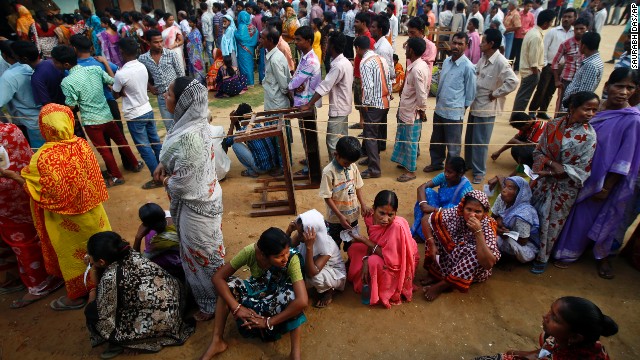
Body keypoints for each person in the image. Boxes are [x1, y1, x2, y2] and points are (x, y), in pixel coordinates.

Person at [0, 104, 111, 310]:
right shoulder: (82, 144)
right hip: (93, 212)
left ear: (44, 127)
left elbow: (35, 188)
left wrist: (13, 176)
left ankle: (77, 295)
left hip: (64, 220)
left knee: (72, 254)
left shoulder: (42, 158)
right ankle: (109, 281)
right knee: (100, 246)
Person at [553, 69, 640, 279]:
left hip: (598, 182)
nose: (623, 92)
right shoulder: (593, 108)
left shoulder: (632, 120)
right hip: (571, 174)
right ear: (607, 86)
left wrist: (607, 186)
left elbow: (625, 159)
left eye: (630, 87)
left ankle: (569, 253)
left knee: (582, 218)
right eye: (619, 86)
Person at [154, 78, 226, 322]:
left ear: (183, 102)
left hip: (197, 205)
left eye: (169, 94)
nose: (165, 96)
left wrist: (166, 181)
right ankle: (211, 294)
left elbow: (183, 183)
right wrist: (163, 164)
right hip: (203, 197)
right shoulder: (193, 123)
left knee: (201, 253)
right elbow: (177, 157)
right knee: (203, 250)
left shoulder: (189, 137)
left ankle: (212, 303)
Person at [200, 227, 308, 360]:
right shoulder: (250, 252)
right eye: (278, 256)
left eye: (285, 253)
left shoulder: (292, 258)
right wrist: (237, 307)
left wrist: (268, 322)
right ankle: (217, 340)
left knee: (293, 298)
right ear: (263, 254)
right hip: (257, 290)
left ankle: (295, 355)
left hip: (279, 293)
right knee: (228, 287)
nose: (285, 258)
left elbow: (302, 300)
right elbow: (218, 278)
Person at [84, 231, 194, 359]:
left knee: (92, 313)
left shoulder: (110, 277)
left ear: (102, 261)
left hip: (165, 322)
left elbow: (102, 313)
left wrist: (92, 290)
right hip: (176, 301)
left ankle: (130, 343)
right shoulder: (130, 253)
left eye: (91, 256)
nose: (89, 258)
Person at [530, 91, 599, 274]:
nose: (590, 114)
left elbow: (583, 168)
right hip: (543, 180)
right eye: (587, 109)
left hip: (564, 188)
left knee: (552, 222)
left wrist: (562, 170)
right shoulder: (553, 125)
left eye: (594, 110)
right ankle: (527, 250)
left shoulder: (589, 136)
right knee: (534, 215)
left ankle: (542, 257)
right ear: (572, 107)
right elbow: (538, 151)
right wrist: (551, 165)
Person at [53, 45, 141, 186]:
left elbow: (71, 105)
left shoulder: (67, 82)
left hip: (91, 121)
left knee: (104, 150)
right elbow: (113, 81)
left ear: (66, 64)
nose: (54, 64)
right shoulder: (94, 69)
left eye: (55, 62)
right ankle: (135, 164)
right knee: (121, 141)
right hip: (107, 114)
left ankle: (117, 177)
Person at [0, 123, 62, 309]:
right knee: (27, 236)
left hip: (11, 197)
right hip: (24, 190)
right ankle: (24, 276)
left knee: (22, 241)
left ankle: (41, 282)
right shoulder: (11, 129)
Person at [474, 296, 618, 360]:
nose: (545, 316)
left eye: (555, 318)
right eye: (550, 311)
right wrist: (523, 354)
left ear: (574, 337)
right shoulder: (591, 343)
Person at [421, 190, 500, 301]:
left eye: (478, 211)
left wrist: (478, 233)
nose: (472, 215)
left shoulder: (487, 225)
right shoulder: (457, 212)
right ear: (463, 208)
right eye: (469, 209)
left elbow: (488, 264)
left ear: (484, 213)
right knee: (436, 231)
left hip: (470, 269)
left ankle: (444, 284)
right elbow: (426, 220)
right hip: (454, 252)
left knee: (476, 252)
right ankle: (436, 273)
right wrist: (432, 244)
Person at [347, 190, 419, 308]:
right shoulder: (370, 218)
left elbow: (391, 259)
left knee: (373, 262)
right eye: (381, 213)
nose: (385, 219)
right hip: (382, 251)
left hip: (398, 261)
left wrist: (365, 244)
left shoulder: (396, 227)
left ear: (395, 213)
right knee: (355, 248)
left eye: (390, 215)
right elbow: (375, 241)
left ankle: (381, 290)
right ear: (374, 209)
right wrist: (365, 256)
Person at [466, 29, 519, 184]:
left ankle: (479, 172)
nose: (480, 44)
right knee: (470, 138)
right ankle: (469, 164)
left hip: (486, 108)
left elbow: (513, 82)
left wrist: (496, 93)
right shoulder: (483, 58)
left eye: (483, 42)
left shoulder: (500, 62)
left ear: (491, 44)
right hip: (476, 104)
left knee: (480, 142)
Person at [112, 38, 163, 190]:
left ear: (122, 52)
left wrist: (120, 90)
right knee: (155, 142)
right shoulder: (141, 65)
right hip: (146, 108)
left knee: (145, 148)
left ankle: (157, 177)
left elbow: (115, 94)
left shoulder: (121, 74)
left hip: (134, 113)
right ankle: (164, 171)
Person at [427, 32, 476, 175]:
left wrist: (462, 110)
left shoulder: (468, 67)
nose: (456, 46)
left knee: (453, 147)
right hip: (440, 109)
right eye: (454, 42)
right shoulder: (447, 62)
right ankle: (436, 163)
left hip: (454, 113)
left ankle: (450, 171)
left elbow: (470, 94)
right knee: (436, 141)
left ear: (466, 46)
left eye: (460, 44)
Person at [300, 32, 353, 160]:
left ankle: (336, 169)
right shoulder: (345, 61)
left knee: (332, 142)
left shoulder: (338, 65)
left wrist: (309, 104)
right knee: (343, 139)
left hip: (339, 108)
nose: (326, 46)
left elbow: (325, 86)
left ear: (332, 46)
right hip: (344, 106)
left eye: (328, 43)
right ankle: (345, 168)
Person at [317, 136, 370, 252]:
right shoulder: (328, 172)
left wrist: (363, 204)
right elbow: (327, 197)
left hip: (352, 215)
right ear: (336, 154)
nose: (348, 165)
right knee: (334, 244)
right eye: (346, 162)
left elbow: (358, 186)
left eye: (351, 163)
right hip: (336, 218)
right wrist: (340, 216)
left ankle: (350, 263)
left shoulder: (352, 166)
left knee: (351, 243)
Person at [286, 209, 347, 308]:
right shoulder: (303, 233)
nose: (299, 236)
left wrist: (309, 247)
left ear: (314, 233)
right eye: (298, 232)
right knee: (288, 258)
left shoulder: (327, 246)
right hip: (313, 266)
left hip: (333, 272)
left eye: (301, 233)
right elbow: (286, 249)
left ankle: (329, 290)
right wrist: (288, 231)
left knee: (313, 278)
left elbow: (312, 272)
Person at [392, 37, 429, 183]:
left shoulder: (418, 69)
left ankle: (410, 171)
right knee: (404, 139)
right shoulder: (417, 65)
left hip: (412, 113)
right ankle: (405, 163)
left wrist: (422, 110)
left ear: (411, 50)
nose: (405, 50)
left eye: (406, 48)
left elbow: (421, 94)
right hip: (407, 109)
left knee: (410, 142)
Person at [528, 8, 576, 120]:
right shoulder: (553, 32)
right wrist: (544, 64)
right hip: (549, 66)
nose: (566, 19)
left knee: (551, 90)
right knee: (541, 89)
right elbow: (544, 48)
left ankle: (542, 111)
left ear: (574, 18)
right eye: (564, 16)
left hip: (562, 67)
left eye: (569, 17)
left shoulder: (574, 33)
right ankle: (532, 111)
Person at [412, 157, 473, 242]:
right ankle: (425, 232)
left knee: (451, 207)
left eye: (450, 172)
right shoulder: (443, 177)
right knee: (427, 192)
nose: (446, 174)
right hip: (438, 207)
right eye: (445, 170)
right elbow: (421, 188)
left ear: (460, 173)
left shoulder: (466, 189)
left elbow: (463, 212)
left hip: (452, 215)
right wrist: (424, 205)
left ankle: (431, 234)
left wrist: (433, 209)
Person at [356, 35, 391, 179]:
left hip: (374, 104)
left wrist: (365, 105)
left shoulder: (365, 62)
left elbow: (368, 87)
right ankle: (372, 161)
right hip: (385, 101)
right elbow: (389, 78)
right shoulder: (381, 58)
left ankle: (374, 169)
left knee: (370, 136)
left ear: (358, 48)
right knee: (375, 135)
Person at [139, 29, 186, 132]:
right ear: (148, 43)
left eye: (161, 41)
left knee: (183, 124)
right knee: (169, 127)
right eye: (156, 42)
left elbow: (181, 75)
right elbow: (141, 75)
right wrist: (149, 86)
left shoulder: (171, 54)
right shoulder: (143, 59)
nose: (160, 44)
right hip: (161, 97)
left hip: (176, 95)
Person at [0, 41, 44, 148]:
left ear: (5, 55)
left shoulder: (9, 76)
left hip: (32, 123)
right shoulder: (39, 64)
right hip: (49, 116)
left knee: (40, 155)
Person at [511, 9, 556, 112]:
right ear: (545, 23)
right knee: (524, 97)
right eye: (551, 22)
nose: (551, 24)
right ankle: (516, 117)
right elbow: (533, 61)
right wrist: (536, 73)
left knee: (522, 95)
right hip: (531, 72)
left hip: (529, 71)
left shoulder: (533, 32)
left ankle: (516, 115)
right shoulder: (536, 36)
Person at [491, 176, 540, 265]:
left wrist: (503, 233)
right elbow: (492, 218)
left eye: (510, 188)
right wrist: (497, 223)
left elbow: (523, 241)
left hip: (525, 247)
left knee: (492, 239)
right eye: (504, 186)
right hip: (505, 234)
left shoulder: (523, 214)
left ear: (519, 194)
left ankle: (507, 259)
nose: (504, 190)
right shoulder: (501, 198)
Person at [227, 103, 281, 177]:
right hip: (272, 165)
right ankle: (254, 168)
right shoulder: (257, 124)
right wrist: (236, 123)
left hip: (261, 169)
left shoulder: (245, 129)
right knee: (243, 141)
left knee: (235, 144)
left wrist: (232, 122)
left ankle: (251, 170)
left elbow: (228, 141)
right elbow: (242, 135)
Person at [133, 203, 183, 279]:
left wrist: (138, 238)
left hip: (179, 266)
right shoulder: (174, 218)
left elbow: (138, 261)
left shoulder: (157, 243)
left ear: (145, 225)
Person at [551, 17, 588, 116]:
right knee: (562, 105)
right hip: (567, 79)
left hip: (582, 80)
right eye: (576, 29)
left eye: (582, 29)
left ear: (587, 28)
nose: (579, 31)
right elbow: (555, 62)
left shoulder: (589, 44)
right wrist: (556, 80)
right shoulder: (566, 44)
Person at [560, 32, 604, 113]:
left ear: (583, 46)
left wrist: (573, 108)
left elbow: (584, 93)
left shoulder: (591, 65)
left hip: (575, 109)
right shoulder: (593, 61)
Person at [261, 27, 292, 111]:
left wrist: (291, 99)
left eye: (263, 38)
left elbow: (284, 85)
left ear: (270, 40)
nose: (260, 40)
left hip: (277, 105)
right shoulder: (273, 55)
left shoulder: (275, 59)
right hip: (273, 102)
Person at [236, 11, 259, 87]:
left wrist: (235, 32)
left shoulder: (242, 26)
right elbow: (256, 35)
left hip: (243, 49)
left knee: (244, 65)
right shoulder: (252, 26)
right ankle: (251, 81)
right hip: (250, 48)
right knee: (249, 64)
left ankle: (246, 82)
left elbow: (240, 37)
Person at [512, 0, 535, 71]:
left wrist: (527, 30)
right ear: (524, 6)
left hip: (523, 37)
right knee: (512, 52)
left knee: (520, 54)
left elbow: (532, 25)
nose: (529, 8)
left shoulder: (531, 16)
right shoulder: (518, 14)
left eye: (530, 6)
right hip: (515, 35)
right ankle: (508, 67)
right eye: (528, 6)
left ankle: (516, 68)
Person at [186, 16, 207, 85]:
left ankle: (199, 82)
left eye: (190, 22)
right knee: (193, 67)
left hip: (196, 54)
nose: (189, 23)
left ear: (194, 23)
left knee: (197, 67)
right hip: (191, 53)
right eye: (189, 22)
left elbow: (198, 44)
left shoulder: (196, 32)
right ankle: (194, 81)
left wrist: (195, 54)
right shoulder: (191, 30)